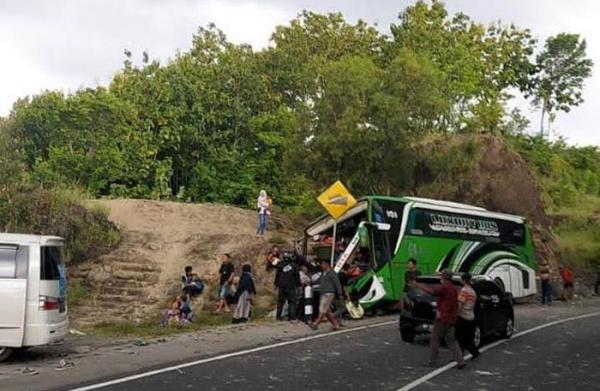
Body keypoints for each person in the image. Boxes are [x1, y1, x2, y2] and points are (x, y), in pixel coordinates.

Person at [409, 269, 465, 369]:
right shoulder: (452, 288)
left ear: (444, 277)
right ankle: (460, 360)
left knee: (435, 340)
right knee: (451, 340)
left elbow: (432, 292)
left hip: (442, 318)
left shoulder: (444, 287)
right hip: (451, 319)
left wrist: (418, 285)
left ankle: (433, 362)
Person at [309, 258, 344, 331]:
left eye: (323, 264)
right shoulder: (323, 273)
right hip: (322, 293)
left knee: (322, 308)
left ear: (327, 264)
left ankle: (316, 324)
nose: (322, 266)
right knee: (327, 311)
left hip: (329, 293)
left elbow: (337, 283)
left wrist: (340, 293)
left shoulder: (332, 273)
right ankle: (335, 325)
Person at [456, 273, 479, 359]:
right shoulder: (472, 291)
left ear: (463, 280)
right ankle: (474, 352)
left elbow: (460, 304)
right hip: (471, 316)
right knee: (469, 339)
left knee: (460, 338)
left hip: (463, 316)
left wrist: (456, 314)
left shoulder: (464, 290)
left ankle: (460, 355)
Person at [274, 255, 301, 321]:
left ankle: (278, 317)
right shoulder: (294, 266)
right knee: (292, 302)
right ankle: (292, 317)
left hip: (282, 286)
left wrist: (276, 284)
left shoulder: (280, 265)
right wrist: (298, 284)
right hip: (291, 286)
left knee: (280, 302)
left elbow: (277, 276)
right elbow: (297, 276)